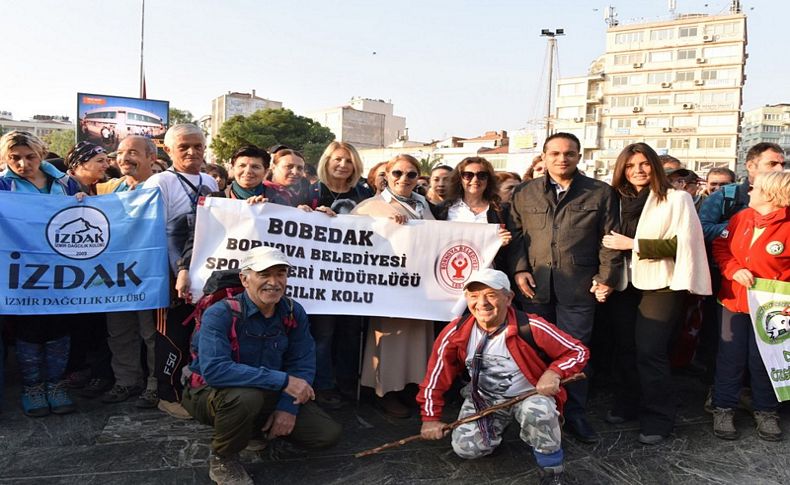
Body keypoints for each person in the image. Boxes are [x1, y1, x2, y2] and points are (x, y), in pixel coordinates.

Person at [183, 247, 341, 485]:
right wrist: (284, 381)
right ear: (245, 279)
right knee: (246, 398)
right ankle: (223, 458)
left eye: (280, 274)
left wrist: (289, 408)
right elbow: (215, 371)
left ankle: (253, 429)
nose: (274, 282)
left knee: (326, 434)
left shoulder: (292, 310)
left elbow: (302, 362)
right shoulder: (220, 313)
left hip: (265, 392)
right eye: (264, 274)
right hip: (211, 393)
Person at [418, 269, 589, 485]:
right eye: (473, 296)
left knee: (539, 412)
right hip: (484, 399)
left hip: (528, 396)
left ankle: (551, 468)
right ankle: (496, 430)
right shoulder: (456, 331)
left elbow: (578, 351)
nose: (482, 303)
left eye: (490, 295)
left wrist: (553, 372)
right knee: (466, 448)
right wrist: (430, 418)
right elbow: (436, 375)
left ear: (508, 298)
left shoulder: (531, 326)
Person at [508, 132, 621, 443]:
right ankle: (538, 413)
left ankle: (575, 414)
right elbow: (516, 237)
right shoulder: (524, 192)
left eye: (569, 153)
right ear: (544, 157)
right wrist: (519, 271)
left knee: (575, 352)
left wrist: (606, 277)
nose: (562, 159)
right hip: (535, 288)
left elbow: (609, 240)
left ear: (579, 156)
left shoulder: (599, 193)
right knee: (534, 352)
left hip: (578, 287)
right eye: (555, 153)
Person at [602, 142, 711, 444]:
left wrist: (634, 245)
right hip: (623, 284)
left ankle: (659, 417)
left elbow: (685, 244)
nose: (638, 170)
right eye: (630, 165)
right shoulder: (613, 199)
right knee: (624, 349)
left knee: (650, 351)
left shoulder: (676, 199)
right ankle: (628, 403)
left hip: (660, 285)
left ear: (655, 166)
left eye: (644, 164)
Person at [0, 130, 83, 417]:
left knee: (59, 327)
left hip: (62, 271)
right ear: (5, 158)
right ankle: (32, 387)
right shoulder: (3, 187)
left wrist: (84, 200)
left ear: (41, 155)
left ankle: (56, 385)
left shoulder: (65, 183)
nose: (23, 164)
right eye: (15, 158)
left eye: (29, 156)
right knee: (29, 329)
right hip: (22, 274)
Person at [142, 124, 219, 418]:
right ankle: (167, 393)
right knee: (171, 333)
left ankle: (194, 388)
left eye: (198, 146)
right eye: (184, 146)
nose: (192, 152)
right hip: (171, 274)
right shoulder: (159, 182)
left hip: (205, 273)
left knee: (198, 334)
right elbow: (153, 233)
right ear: (168, 149)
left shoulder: (210, 182)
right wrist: (176, 270)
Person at [352, 154, 436, 417]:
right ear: (386, 176)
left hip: (420, 287)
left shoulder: (423, 203)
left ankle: (410, 387)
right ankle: (385, 392)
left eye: (411, 174)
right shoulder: (370, 206)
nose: (404, 179)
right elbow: (348, 239)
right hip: (388, 288)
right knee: (389, 342)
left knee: (417, 339)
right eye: (397, 173)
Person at [710, 171, 790, 442]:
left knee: (764, 360)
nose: (749, 192)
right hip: (733, 300)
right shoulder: (741, 217)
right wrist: (733, 269)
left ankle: (766, 411)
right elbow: (721, 248)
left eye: (754, 188)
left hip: (771, 309)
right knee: (729, 358)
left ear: (769, 195)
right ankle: (723, 408)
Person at [304, 141, 373, 409]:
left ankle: (347, 383)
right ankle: (323, 385)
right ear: (327, 161)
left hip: (355, 278)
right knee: (323, 334)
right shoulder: (310, 191)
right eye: (338, 159)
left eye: (349, 160)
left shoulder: (364, 194)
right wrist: (305, 214)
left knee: (351, 333)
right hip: (319, 279)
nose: (343, 165)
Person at [95, 135, 159, 407]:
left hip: (148, 274)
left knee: (151, 334)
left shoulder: (160, 188)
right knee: (119, 332)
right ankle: (126, 381)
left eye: (132, 152)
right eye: (120, 152)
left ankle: (156, 384)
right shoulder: (109, 189)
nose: (124, 158)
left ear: (151, 159)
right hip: (115, 276)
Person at [432, 157, 513, 269]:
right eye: (468, 175)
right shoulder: (442, 210)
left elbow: (513, 249)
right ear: (459, 179)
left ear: (488, 180)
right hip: (448, 273)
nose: (475, 180)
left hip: (488, 277)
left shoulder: (502, 211)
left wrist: (503, 242)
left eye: (482, 175)